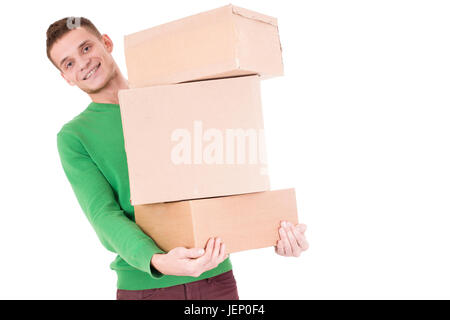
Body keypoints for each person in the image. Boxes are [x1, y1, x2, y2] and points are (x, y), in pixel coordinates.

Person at [47, 16, 309, 300]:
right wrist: (157, 260)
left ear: (107, 43)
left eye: (85, 48)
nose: (82, 63)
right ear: (66, 78)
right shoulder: (75, 137)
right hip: (146, 288)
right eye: (69, 63)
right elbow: (103, 214)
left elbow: (228, 172)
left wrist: (273, 231)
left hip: (216, 280)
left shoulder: (174, 95)